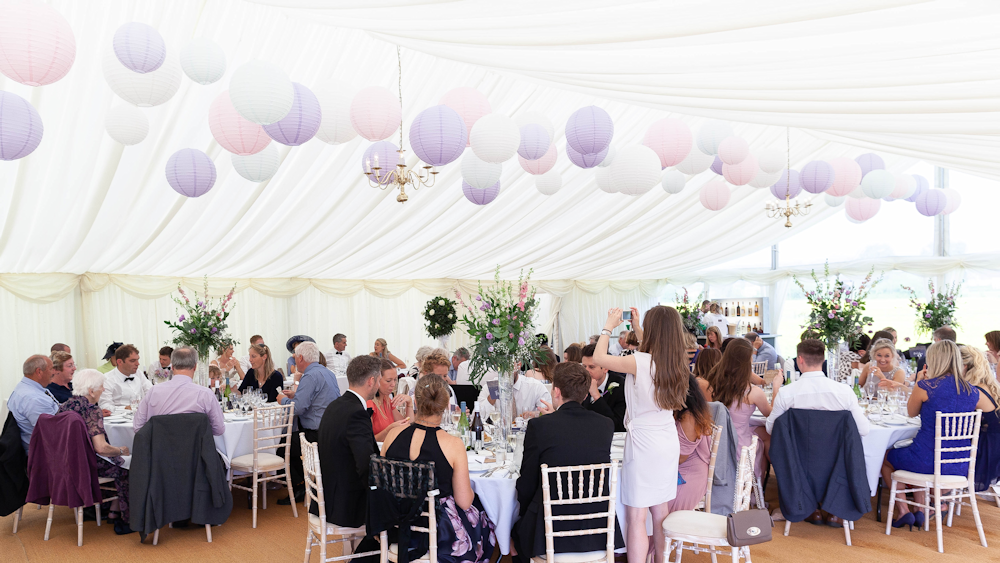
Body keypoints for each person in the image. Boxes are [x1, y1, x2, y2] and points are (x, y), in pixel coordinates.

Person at [594, 306, 689, 563]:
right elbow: (652, 348)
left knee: (636, 516)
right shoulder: (677, 361)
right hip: (667, 440)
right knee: (660, 512)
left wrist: (608, 326)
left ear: (653, 330)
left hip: (644, 444)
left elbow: (599, 358)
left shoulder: (639, 361)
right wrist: (637, 327)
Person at [383, 374, 495, 563]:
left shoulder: (393, 434)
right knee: (483, 515)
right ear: (445, 405)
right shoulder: (453, 444)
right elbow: (464, 501)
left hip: (394, 525)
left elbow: (383, 486)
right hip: (439, 534)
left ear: (416, 401)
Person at [882, 340, 991, 530]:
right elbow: (989, 410)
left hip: (926, 461)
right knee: (916, 452)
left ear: (934, 360)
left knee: (886, 458)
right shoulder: (973, 392)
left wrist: (918, 382)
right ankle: (921, 511)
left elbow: (911, 412)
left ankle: (903, 510)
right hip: (959, 464)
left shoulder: (926, 386)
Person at [513, 362, 614, 563]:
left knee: (515, 534)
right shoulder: (605, 425)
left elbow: (526, 484)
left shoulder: (539, 426)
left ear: (556, 391)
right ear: (585, 395)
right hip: (597, 534)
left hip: (550, 536)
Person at [58, 369, 134, 535]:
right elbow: (101, 448)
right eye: (101, 387)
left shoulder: (64, 406)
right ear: (91, 391)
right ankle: (126, 517)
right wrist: (122, 450)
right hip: (87, 465)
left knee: (121, 461)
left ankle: (112, 510)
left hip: (66, 462)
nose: (104, 390)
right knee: (131, 463)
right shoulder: (91, 410)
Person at [316, 356, 381, 542]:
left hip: (329, 496)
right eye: (378, 380)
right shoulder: (356, 413)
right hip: (346, 505)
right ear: (371, 381)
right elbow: (366, 467)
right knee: (404, 504)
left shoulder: (335, 405)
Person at [276, 341, 343, 505]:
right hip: (331, 432)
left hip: (315, 435)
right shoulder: (328, 373)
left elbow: (297, 409)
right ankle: (303, 484)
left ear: (300, 358)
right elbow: (316, 400)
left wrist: (283, 399)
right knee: (288, 442)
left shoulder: (310, 376)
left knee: (281, 447)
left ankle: (300, 486)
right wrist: (295, 395)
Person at [766, 339, 869, 438]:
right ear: (823, 359)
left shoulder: (785, 393)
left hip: (795, 454)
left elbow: (771, 429)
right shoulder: (845, 392)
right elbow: (863, 430)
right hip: (836, 454)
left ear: (800, 359)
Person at [704, 338, 773, 478]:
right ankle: (758, 482)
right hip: (740, 445)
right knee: (768, 435)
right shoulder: (752, 392)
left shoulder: (712, 382)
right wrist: (776, 388)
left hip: (715, 441)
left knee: (761, 431)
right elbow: (772, 415)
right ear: (747, 361)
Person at [133, 347, 225, 436]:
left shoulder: (153, 392)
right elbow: (219, 430)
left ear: (172, 367)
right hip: (195, 450)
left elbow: (138, 427)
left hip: (159, 450)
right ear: (195, 367)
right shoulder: (205, 394)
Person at [669, 374, 714, 512]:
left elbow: (680, 458)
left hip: (686, 477)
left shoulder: (689, 417)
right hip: (676, 473)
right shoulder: (680, 412)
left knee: (649, 505)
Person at [960, 346, 1000, 492]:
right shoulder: (988, 385)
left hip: (986, 450)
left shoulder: (973, 391)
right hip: (994, 444)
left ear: (963, 367)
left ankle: (938, 495)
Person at [8, 355, 60, 453]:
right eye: (51, 369)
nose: (54, 372)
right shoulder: (34, 399)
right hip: (45, 455)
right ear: (39, 372)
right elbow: (54, 432)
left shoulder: (24, 387)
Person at [475, 359, 551, 420]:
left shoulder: (535, 387)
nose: (505, 371)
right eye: (500, 367)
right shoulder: (490, 387)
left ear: (518, 366)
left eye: (509, 366)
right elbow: (474, 419)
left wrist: (535, 414)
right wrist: (491, 398)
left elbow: (549, 415)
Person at [580, 343, 626, 432]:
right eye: (584, 366)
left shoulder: (620, 386)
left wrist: (596, 396)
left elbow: (618, 425)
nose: (586, 371)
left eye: (591, 367)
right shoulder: (580, 383)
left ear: (605, 368)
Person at [369, 359, 414, 441]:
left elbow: (408, 427)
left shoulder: (387, 400)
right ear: (376, 380)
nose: (393, 384)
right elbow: (368, 441)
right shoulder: (370, 404)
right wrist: (389, 429)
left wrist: (409, 403)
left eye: (395, 379)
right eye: (388, 381)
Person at [99, 344, 152, 412]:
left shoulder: (138, 373)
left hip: (140, 415)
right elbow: (104, 405)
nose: (137, 364)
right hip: (118, 418)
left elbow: (150, 392)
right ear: (120, 362)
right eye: (133, 361)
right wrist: (124, 409)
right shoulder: (107, 379)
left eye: (137, 360)